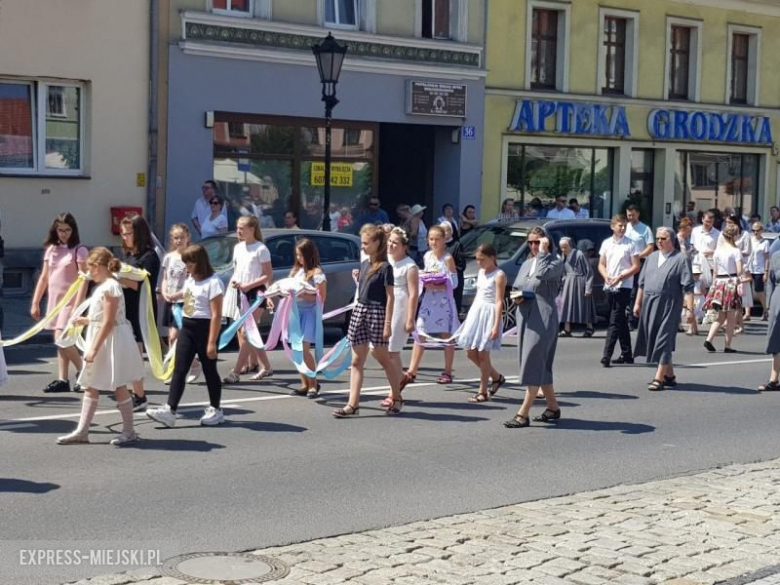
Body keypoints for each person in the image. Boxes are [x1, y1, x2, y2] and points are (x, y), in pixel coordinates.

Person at [56, 248, 143, 445]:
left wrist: (93, 349)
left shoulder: (110, 287)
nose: (89, 273)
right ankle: (82, 431)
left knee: (118, 384)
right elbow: (104, 317)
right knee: (91, 385)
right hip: (105, 337)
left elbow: (109, 321)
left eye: (90, 269)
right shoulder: (106, 286)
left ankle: (129, 431)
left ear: (98, 267)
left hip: (111, 341)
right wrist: (87, 321)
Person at [146, 245, 225, 428]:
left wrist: (211, 342)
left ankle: (216, 409)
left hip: (205, 328)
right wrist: (175, 295)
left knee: (209, 370)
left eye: (189, 264)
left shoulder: (214, 282)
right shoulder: (191, 279)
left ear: (199, 262)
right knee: (179, 369)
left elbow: (216, 315)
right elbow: (188, 293)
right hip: (187, 328)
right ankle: (170, 410)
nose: (187, 268)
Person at [333, 225, 402, 417]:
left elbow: (390, 297)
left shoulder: (386, 267)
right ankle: (352, 404)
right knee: (356, 360)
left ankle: (397, 397)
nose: (362, 247)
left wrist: (387, 324)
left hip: (377, 313)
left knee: (383, 358)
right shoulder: (364, 264)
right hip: (360, 310)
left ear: (377, 243)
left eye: (365, 243)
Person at [504, 227, 564, 428]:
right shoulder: (527, 263)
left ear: (546, 242)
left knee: (533, 362)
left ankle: (523, 413)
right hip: (525, 314)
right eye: (530, 242)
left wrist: (544, 254)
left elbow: (542, 275)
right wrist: (516, 296)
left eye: (537, 242)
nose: (533, 246)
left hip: (543, 317)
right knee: (539, 363)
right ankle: (553, 407)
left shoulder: (555, 262)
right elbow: (517, 286)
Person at [31, 213, 89, 393]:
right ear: (55, 231)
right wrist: (35, 302)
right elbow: (44, 277)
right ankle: (63, 379)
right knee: (60, 342)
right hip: (55, 302)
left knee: (61, 338)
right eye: (60, 230)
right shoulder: (52, 250)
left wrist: (78, 306)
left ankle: (84, 371)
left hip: (71, 302)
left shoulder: (80, 250)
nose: (64, 234)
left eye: (67, 230)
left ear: (74, 230)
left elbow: (84, 280)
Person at [633, 227, 695, 391]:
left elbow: (688, 287)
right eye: (658, 238)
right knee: (654, 338)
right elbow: (642, 284)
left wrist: (690, 310)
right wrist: (638, 303)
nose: (659, 241)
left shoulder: (681, 259)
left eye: (663, 238)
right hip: (650, 302)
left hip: (670, 304)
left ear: (672, 240)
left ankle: (658, 378)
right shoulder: (651, 257)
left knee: (664, 339)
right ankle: (670, 376)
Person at [402, 225, 460, 387]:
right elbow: (425, 274)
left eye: (437, 239)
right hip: (428, 300)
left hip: (443, 302)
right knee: (420, 332)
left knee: (446, 335)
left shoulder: (447, 259)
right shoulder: (427, 256)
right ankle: (412, 370)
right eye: (431, 239)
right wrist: (424, 280)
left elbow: (454, 282)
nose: (434, 242)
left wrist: (439, 285)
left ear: (444, 240)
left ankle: (447, 371)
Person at [222, 215, 274, 383]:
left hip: (256, 293)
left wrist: (251, 286)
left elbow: (268, 274)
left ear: (252, 229)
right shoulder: (238, 248)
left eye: (242, 228)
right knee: (250, 333)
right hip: (241, 293)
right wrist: (237, 284)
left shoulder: (261, 249)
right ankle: (266, 366)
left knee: (247, 331)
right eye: (238, 227)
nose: (239, 231)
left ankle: (236, 372)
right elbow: (238, 271)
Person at [118, 215, 160, 412]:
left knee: (135, 354)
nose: (125, 237)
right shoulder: (128, 256)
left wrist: (116, 277)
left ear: (140, 233)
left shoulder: (149, 257)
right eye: (123, 233)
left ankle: (140, 396)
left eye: (129, 233)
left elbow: (139, 285)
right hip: (125, 308)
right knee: (126, 354)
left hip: (140, 310)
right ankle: (133, 394)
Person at [460, 244, 506, 403]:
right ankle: (496, 377)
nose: (479, 262)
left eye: (482, 259)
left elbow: (499, 301)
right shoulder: (481, 272)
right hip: (477, 312)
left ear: (492, 258)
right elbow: (479, 294)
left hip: (489, 314)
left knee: (483, 354)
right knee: (470, 352)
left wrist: (496, 325)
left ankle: (483, 391)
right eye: (477, 259)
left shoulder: (499, 275)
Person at [380, 227, 419, 408]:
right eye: (390, 241)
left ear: (404, 246)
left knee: (392, 351)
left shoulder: (409, 266)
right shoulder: (386, 260)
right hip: (386, 306)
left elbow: (413, 294)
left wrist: (410, 318)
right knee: (384, 351)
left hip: (400, 308)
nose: (391, 245)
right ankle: (401, 378)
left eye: (395, 242)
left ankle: (394, 392)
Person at [159, 224, 199, 382]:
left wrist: (178, 294)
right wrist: (164, 292)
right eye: (176, 237)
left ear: (188, 237)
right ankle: (181, 367)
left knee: (177, 336)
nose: (179, 240)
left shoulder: (192, 257)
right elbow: (165, 278)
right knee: (172, 338)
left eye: (182, 237)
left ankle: (189, 366)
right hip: (171, 301)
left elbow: (193, 282)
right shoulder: (169, 257)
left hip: (184, 301)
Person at [287, 238, 327, 398]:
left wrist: (302, 294)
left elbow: (321, 298)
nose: (299, 258)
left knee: (304, 349)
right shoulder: (296, 271)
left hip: (309, 313)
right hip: (296, 313)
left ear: (309, 255)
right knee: (296, 350)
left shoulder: (317, 273)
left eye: (301, 255)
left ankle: (313, 384)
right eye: (297, 255)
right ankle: (304, 383)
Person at [599, 214, 640, 367]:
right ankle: (627, 353)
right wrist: (606, 276)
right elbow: (601, 264)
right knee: (620, 319)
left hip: (624, 286)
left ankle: (606, 355)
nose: (622, 228)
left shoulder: (631, 244)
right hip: (610, 285)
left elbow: (636, 266)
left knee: (614, 321)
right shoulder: (607, 243)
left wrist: (621, 277)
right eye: (619, 226)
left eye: (624, 226)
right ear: (613, 227)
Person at [703, 225, 743, 353]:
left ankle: (709, 339)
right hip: (731, 282)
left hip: (719, 282)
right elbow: (739, 270)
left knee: (720, 316)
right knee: (730, 316)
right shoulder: (736, 251)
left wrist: (713, 286)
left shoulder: (718, 251)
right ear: (735, 236)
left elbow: (715, 271)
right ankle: (727, 345)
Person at [558, 237, 595, 337]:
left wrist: (588, 287)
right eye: (561, 247)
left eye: (565, 247)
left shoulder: (579, 254)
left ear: (570, 245)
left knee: (584, 306)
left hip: (580, 282)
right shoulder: (563, 256)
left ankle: (589, 328)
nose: (563, 249)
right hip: (568, 283)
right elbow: (563, 271)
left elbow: (589, 271)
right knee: (566, 305)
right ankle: (567, 329)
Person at [759, 247, 780, 391]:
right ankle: (774, 379)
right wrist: (767, 305)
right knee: (776, 338)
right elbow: (770, 282)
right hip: (777, 298)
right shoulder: (776, 256)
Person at [441, 221, 466, 314]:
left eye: (447, 230)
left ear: (451, 232)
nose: (445, 232)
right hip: (442, 282)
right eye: (442, 230)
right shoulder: (440, 245)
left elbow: (461, 265)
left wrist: (450, 267)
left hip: (454, 281)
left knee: (453, 309)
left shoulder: (457, 245)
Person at [747, 222, 770, 320]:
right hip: (749, 268)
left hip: (759, 270)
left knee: (759, 291)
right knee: (747, 291)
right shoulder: (749, 240)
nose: (755, 232)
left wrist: (766, 271)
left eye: (757, 230)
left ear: (761, 230)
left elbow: (767, 258)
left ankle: (765, 310)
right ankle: (747, 313)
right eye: (753, 230)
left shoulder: (765, 242)